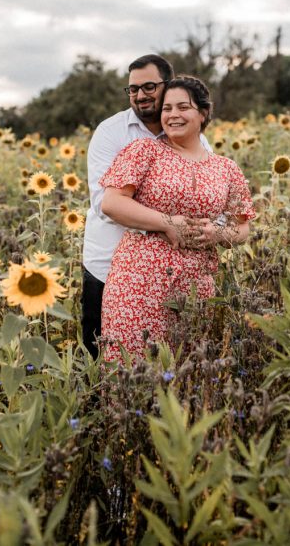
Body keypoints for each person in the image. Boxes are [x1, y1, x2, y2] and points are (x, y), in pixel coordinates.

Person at [98, 75, 255, 362]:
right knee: (134, 371)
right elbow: (112, 203)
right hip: (139, 282)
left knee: (187, 372)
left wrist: (217, 234)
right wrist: (168, 223)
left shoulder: (226, 169)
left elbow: (243, 227)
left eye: (183, 107)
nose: (173, 115)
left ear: (203, 112)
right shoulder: (145, 151)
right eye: (167, 108)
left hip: (196, 285)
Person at [81, 54, 211, 358]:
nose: (140, 95)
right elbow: (105, 204)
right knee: (101, 354)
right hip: (108, 263)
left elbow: (207, 200)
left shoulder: (193, 139)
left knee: (168, 354)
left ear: (169, 84)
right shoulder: (112, 133)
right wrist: (168, 220)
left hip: (172, 270)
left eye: (149, 86)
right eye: (133, 89)